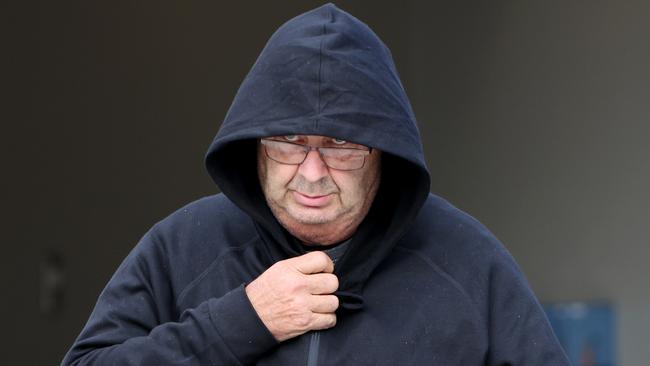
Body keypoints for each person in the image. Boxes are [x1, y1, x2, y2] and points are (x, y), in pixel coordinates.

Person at [62, 4, 569, 365]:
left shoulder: (467, 263)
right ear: (255, 144)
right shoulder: (182, 247)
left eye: (342, 145)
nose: (310, 171)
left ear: (383, 154)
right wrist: (243, 321)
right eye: (287, 140)